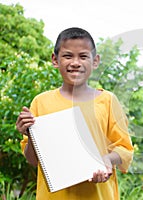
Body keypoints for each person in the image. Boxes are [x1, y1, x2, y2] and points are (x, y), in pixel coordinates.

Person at [16, 27, 134, 199]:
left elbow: (125, 149)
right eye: (68, 56)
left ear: (95, 61)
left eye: (83, 56)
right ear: (55, 60)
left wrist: (107, 160)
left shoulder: (108, 101)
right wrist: (30, 133)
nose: (76, 62)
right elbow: (33, 160)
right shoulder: (40, 102)